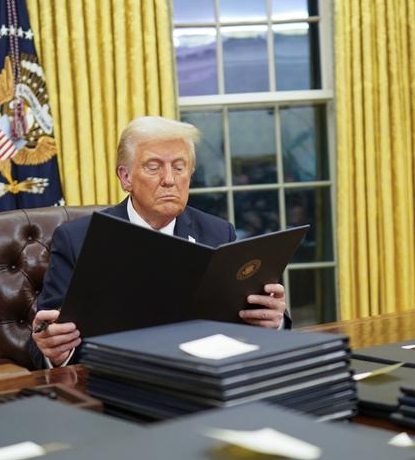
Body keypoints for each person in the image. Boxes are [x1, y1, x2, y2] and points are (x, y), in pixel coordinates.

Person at [30, 116, 289, 369]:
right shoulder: (76, 239)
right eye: (153, 167)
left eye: (179, 167)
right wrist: (54, 351)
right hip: (117, 381)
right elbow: (46, 337)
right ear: (126, 177)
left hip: (200, 378)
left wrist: (273, 322)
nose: (169, 179)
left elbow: (248, 319)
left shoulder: (218, 233)